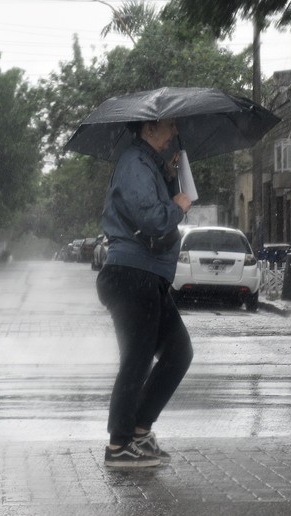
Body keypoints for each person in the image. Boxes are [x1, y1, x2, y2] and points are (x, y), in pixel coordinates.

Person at [96, 117, 194, 469]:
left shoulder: (147, 164)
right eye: (169, 127)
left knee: (178, 352)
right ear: (150, 129)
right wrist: (178, 206)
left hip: (147, 274)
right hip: (131, 274)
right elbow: (152, 221)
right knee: (136, 360)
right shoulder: (135, 164)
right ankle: (119, 444)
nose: (173, 133)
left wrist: (169, 178)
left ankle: (138, 429)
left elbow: (152, 213)